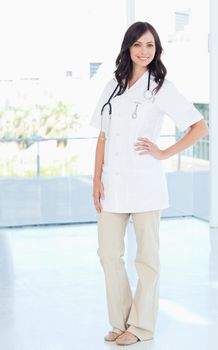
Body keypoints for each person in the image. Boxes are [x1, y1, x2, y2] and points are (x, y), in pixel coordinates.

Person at [90, 21, 208, 346]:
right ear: (128, 47)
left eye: (150, 46)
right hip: (111, 184)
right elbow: (102, 137)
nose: (144, 51)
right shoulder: (112, 86)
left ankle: (140, 327)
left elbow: (200, 127)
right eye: (138, 45)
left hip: (145, 183)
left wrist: (164, 151)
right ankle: (120, 322)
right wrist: (96, 181)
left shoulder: (161, 87)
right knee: (109, 255)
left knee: (147, 260)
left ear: (156, 50)